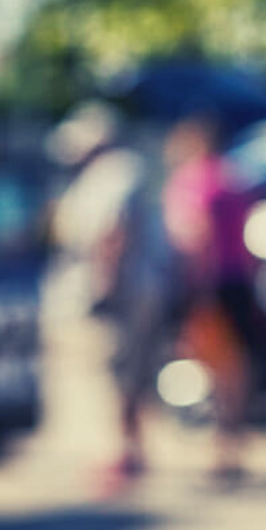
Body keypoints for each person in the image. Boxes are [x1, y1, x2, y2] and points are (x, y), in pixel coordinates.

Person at [49, 104, 178, 492]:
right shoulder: (110, 173)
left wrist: (103, 286)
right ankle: (131, 449)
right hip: (131, 287)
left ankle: (123, 452)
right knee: (126, 371)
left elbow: (114, 231)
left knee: (119, 371)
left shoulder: (116, 172)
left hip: (125, 290)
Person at [160, 116, 254, 484]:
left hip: (207, 284)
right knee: (236, 369)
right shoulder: (235, 179)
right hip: (238, 281)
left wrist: (195, 290)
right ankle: (232, 442)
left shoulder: (192, 181)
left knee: (213, 368)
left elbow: (196, 236)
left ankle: (219, 449)